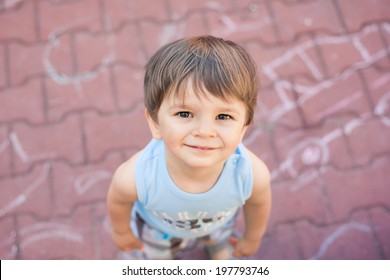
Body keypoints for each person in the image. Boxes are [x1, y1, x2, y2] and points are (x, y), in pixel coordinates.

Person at [107, 35, 271, 260]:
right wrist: (121, 231)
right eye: (184, 114)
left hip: (218, 225)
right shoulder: (137, 176)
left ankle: (217, 246)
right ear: (155, 123)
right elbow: (118, 200)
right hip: (159, 232)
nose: (204, 131)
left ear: (243, 128)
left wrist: (253, 237)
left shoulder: (251, 173)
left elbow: (259, 203)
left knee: (221, 242)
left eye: (223, 116)